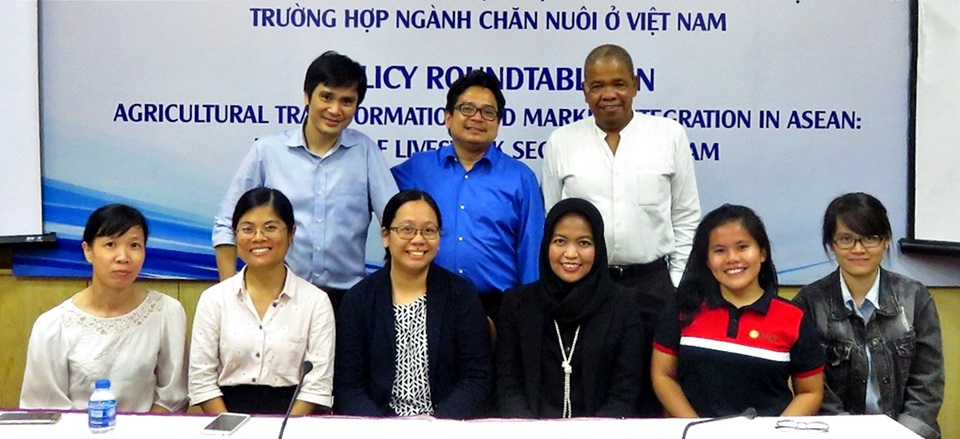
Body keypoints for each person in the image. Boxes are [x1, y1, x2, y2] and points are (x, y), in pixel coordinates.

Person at [213, 50, 398, 311]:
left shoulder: (365, 152)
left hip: (348, 301)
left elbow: (397, 223)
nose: (335, 110)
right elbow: (225, 223)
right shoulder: (268, 152)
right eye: (326, 97)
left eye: (347, 101)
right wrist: (230, 294)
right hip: (279, 297)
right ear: (307, 96)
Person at [541, 43, 700, 296]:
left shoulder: (669, 135)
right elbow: (552, 219)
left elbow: (685, 215)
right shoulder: (561, 141)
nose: (609, 94)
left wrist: (676, 282)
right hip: (585, 285)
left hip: (653, 286)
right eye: (597, 86)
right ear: (584, 91)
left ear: (635, 85)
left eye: (619, 84)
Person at [391, 70, 544, 321]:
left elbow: (531, 251)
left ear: (498, 122)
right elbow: (369, 188)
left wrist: (530, 314)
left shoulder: (520, 178)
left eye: (488, 112)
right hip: (430, 307)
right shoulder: (418, 168)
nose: (477, 118)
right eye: (467, 108)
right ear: (448, 117)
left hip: (499, 309)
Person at [793, 193, 944, 439]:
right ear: (831, 244)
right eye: (846, 239)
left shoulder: (915, 296)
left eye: (870, 238)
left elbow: (927, 384)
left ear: (885, 241)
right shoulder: (809, 303)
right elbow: (815, 391)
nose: (858, 249)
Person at [651, 204, 824, 418]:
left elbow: (810, 391)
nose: (732, 258)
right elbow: (663, 375)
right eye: (719, 250)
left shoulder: (794, 318)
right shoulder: (682, 309)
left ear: (762, 253)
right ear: (707, 260)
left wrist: (773, 434)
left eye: (742, 247)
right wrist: (697, 430)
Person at [334, 190, 492, 419]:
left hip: (445, 428)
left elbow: (476, 379)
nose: (418, 240)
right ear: (386, 236)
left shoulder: (461, 295)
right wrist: (383, 431)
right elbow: (349, 387)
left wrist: (436, 428)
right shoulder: (358, 300)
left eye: (429, 230)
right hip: (377, 430)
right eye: (407, 229)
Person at [20, 204, 188, 412]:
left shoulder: (167, 312)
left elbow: (172, 398)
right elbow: (45, 408)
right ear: (88, 251)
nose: (123, 257)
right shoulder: (53, 326)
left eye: (134, 245)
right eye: (110, 244)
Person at [191, 187, 335, 415]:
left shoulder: (316, 302)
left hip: (292, 420)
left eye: (270, 227)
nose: (258, 237)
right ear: (235, 235)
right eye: (247, 229)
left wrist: (284, 432)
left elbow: (317, 386)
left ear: (291, 234)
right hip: (226, 419)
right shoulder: (214, 300)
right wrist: (230, 427)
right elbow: (201, 380)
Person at [496, 198, 645, 418]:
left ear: (599, 247)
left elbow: (624, 393)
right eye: (560, 241)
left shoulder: (622, 305)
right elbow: (508, 387)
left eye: (584, 243)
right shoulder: (518, 304)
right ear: (546, 244)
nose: (571, 254)